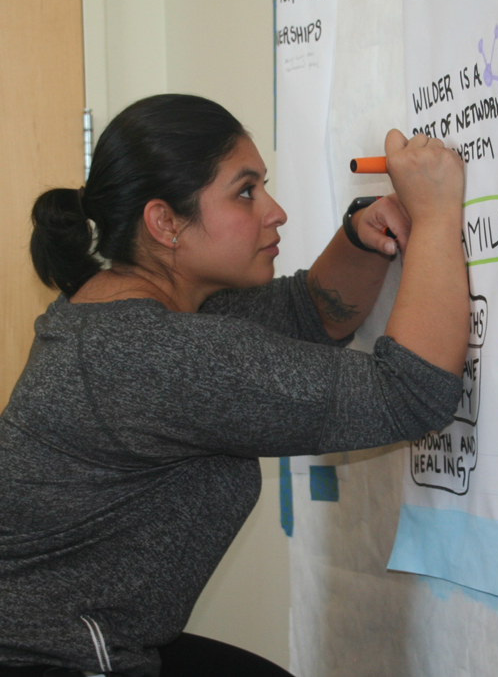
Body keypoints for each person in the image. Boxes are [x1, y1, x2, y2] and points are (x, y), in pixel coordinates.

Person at [0, 94, 469, 677]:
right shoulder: (156, 356)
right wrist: (440, 215)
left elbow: (306, 316)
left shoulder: (114, 308)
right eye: (245, 192)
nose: (275, 211)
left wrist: (359, 237)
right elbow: (411, 394)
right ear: (164, 223)